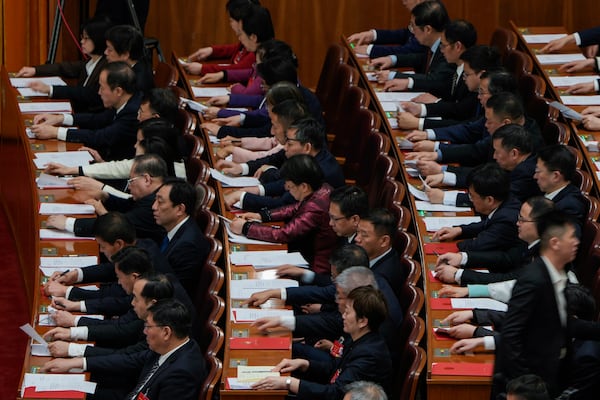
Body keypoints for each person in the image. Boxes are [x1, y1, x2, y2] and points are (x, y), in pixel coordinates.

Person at [42, 299, 206, 400]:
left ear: (166, 332)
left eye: (148, 326)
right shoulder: (172, 345)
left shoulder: (181, 375)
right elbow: (128, 360)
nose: (144, 331)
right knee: (71, 390)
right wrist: (77, 362)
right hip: (129, 392)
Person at [492, 212, 579, 398]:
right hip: (526, 384)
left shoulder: (560, 274)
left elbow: (560, 322)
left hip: (549, 372)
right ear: (555, 243)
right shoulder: (534, 279)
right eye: (571, 237)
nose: (576, 242)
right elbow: (511, 332)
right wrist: (524, 383)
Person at [250, 286, 392, 400]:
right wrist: (304, 364)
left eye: (347, 312)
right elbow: (335, 368)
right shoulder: (357, 336)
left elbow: (336, 393)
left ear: (363, 321)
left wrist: (289, 383)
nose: (343, 316)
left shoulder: (370, 356)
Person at [230, 154, 337, 275]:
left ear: (303, 187)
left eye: (290, 186)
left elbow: (284, 234)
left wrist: (246, 228)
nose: (287, 189)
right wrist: (262, 216)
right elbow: (295, 208)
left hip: (315, 267)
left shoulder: (314, 209)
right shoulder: (322, 188)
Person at [224, 117, 344, 211]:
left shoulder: (320, 172)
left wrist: (241, 197)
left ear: (307, 147)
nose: (285, 147)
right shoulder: (309, 155)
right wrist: (241, 168)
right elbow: (274, 159)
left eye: (290, 143)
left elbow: (283, 203)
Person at [30, 61, 142, 162]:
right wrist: (61, 118)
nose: (99, 92)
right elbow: (97, 119)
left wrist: (56, 132)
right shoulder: (127, 100)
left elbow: (101, 137)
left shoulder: (133, 113)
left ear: (118, 91)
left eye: (102, 88)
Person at [46, 154, 167, 245]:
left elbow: (121, 226)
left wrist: (68, 223)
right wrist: (105, 196)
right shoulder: (156, 192)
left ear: (146, 179)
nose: (129, 186)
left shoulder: (153, 203)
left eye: (131, 181)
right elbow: (129, 204)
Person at [435, 196, 555, 287]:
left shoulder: (545, 255)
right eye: (519, 218)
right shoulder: (529, 240)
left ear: (540, 225)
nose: (517, 223)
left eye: (523, 220)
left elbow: (510, 280)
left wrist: (459, 275)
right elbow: (506, 258)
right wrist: (463, 258)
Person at [16, 16, 112, 112]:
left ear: (98, 39)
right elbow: (63, 68)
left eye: (86, 38)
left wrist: (49, 89)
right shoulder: (90, 62)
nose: (82, 41)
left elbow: (85, 94)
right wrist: (35, 70)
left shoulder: (105, 68)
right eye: (82, 37)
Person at [396, 19, 479, 130]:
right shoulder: (457, 67)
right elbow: (454, 108)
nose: (441, 50)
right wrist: (421, 109)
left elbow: (461, 116)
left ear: (458, 46)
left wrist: (419, 123)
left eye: (443, 45)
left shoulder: (473, 78)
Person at [400, 44, 502, 130]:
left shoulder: (493, 102)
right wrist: (421, 109)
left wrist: (419, 123)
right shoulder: (480, 91)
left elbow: (466, 125)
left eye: (466, 74)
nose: (463, 78)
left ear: (481, 75)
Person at [371, 1, 454, 98]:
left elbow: (434, 80)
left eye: (413, 27)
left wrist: (395, 76)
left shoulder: (448, 49)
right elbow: (421, 58)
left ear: (428, 30)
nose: (412, 32)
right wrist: (393, 59)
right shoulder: (435, 44)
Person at [433, 163, 521, 252]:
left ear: (489, 200)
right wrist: (460, 230)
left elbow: (477, 245)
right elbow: (487, 224)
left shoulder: (506, 220)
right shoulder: (506, 200)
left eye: (472, 196)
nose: (471, 200)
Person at [152, 178, 209, 298]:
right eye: (155, 199)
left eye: (160, 202)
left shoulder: (187, 246)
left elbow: (170, 293)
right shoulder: (173, 228)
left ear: (180, 209)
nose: (154, 206)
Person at [183, 0, 259, 75]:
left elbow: (239, 69)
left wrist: (203, 69)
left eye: (231, 20)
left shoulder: (257, 49)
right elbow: (237, 49)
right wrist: (212, 50)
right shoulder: (248, 40)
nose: (230, 24)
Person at [347, 0, 427, 58]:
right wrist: (373, 35)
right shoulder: (420, 13)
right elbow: (404, 34)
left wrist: (371, 50)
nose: (403, 2)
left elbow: (411, 50)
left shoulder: (430, 16)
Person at [534, 145, 586, 232]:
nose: (535, 176)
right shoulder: (545, 189)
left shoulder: (569, 207)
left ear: (556, 176)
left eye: (538, 171)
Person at [354, 208, 405, 296]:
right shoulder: (381, 254)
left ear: (384, 241)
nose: (357, 239)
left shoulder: (382, 278)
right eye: (357, 232)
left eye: (364, 235)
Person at [104, 24, 154, 94]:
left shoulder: (137, 84)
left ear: (125, 55)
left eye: (110, 49)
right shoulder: (132, 67)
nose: (105, 52)